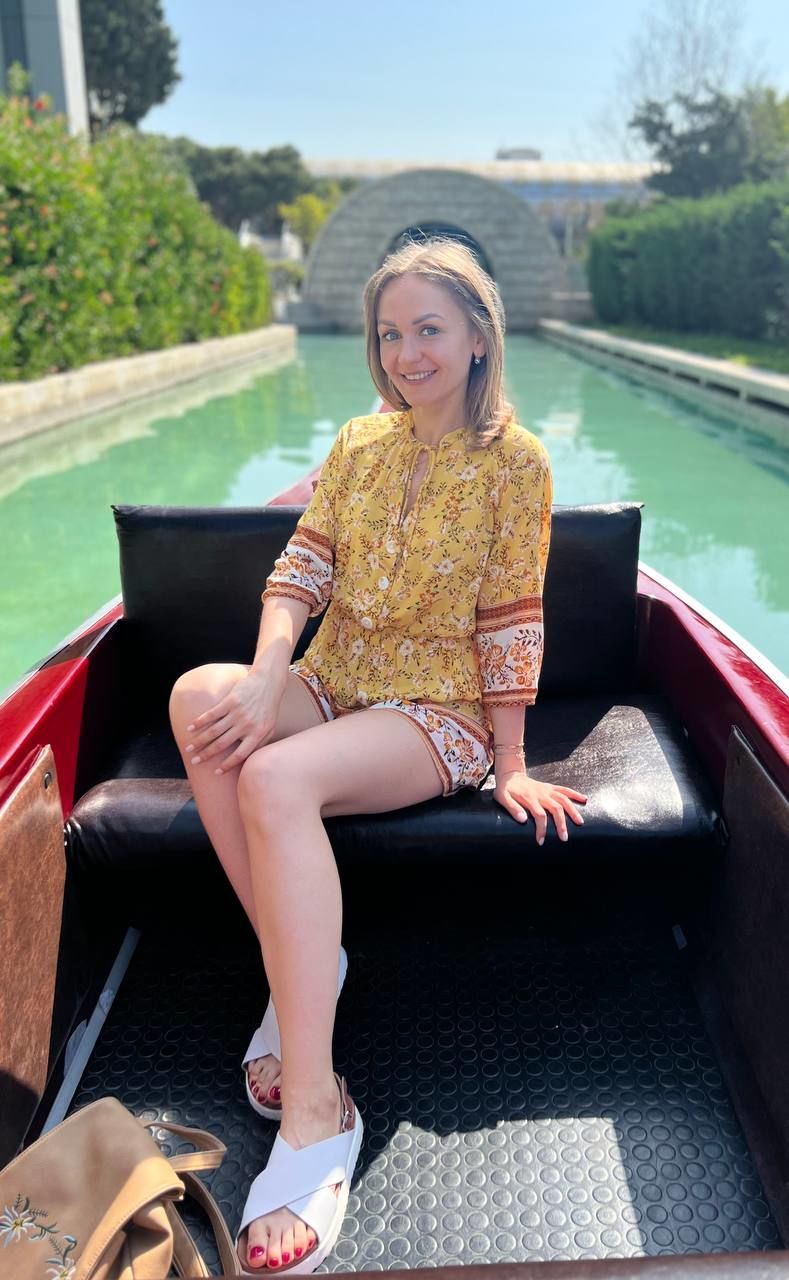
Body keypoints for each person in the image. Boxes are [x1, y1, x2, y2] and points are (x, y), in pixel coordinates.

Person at [168, 237, 588, 1274]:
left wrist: (512, 759)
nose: (406, 353)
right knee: (200, 699)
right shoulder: (359, 442)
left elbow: (510, 619)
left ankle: (320, 1109)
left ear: (479, 336)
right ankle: (303, 968)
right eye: (390, 333)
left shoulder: (518, 463)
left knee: (274, 774)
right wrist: (265, 678)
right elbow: (301, 568)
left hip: (435, 708)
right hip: (333, 676)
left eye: (428, 329)